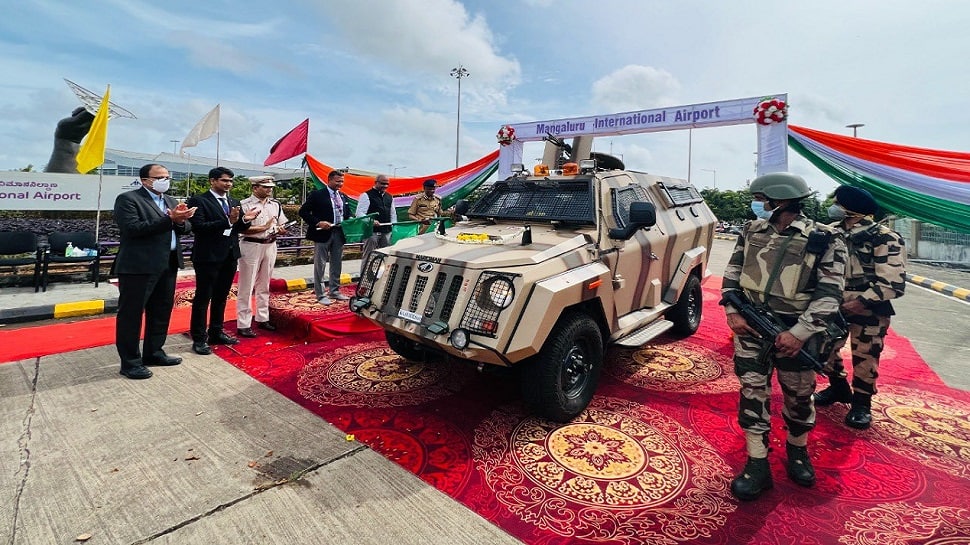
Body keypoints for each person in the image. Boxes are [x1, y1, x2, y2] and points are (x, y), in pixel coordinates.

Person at [721, 172, 846, 501]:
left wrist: (800, 332)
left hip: (797, 333)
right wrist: (732, 313)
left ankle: (797, 451)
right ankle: (757, 464)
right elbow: (733, 273)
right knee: (752, 391)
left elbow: (830, 294)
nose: (757, 204)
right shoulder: (751, 230)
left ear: (780, 201)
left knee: (799, 395)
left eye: (761, 198)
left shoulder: (823, 238)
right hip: (750, 327)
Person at [813, 185, 906, 429]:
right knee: (823, 349)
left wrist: (860, 301)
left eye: (837, 203)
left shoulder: (884, 236)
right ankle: (838, 388)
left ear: (849, 208)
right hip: (831, 303)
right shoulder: (829, 232)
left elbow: (893, 282)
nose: (832, 206)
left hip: (869, 308)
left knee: (865, 356)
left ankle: (862, 404)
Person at [113, 163, 195, 379]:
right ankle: (130, 362)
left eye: (167, 176)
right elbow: (132, 229)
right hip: (138, 266)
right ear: (144, 180)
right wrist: (169, 219)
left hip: (167, 263)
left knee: (161, 311)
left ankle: (154, 352)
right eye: (160, 177)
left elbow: (185, 228)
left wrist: (180, 220)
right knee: (131, 314)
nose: (165, 180)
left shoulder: (170, 200)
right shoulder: (129, 199)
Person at [186, 167, 257, 355]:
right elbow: (199, 227)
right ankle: (199, 338)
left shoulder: (233, 201)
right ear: (213, 181)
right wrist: (228, 220)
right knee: (203, 298)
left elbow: (238, 227)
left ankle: (216, 331)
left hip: (229, 255)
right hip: (208, 256)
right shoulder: (199, 201)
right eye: (225, 181)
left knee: (221, 296)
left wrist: (246, 220)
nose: (228, 184)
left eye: (231, 181)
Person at [235, 176, 289, 338]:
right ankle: (243, 323)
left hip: (270, 244)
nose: (269, 189)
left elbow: (281, 223)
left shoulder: (275, 205)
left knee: (264, 284)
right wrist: (263, 227)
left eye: (270, 187)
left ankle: (262, 317)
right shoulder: (245, 205)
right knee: (247, 284)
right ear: (254, 187)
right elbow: (241, 229)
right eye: (265, 187)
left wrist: (280, 229)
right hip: (251, 245)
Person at [300, 170, 352, 305]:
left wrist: (350, 220)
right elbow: (303, 211)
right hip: (322, 234)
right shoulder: (318, 195)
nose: (340, 184)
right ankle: (320, 294)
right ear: (329, 180)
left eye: (342, 181)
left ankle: (335, 291)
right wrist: (318, 222)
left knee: (337, 264)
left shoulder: (343, 196)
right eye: (338, 181)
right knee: (320, 265)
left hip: (339, 233)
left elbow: (347, 214)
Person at [356, 173, 396, 266]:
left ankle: (380, 279)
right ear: (376, 183)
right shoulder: (366, 195)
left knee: (385, 257)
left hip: (386, 232)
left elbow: (393, 214)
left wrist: (394, 226)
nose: (385, 186)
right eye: (382, 183)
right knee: (369, 256)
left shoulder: (389, 197)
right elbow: (359, 214)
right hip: (371, 232)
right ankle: (364, 279)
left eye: (387, 184)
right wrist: (371, 221)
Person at [45, 107, 95, 173]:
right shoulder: (65, 124)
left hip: (66, 160)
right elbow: (86, 115)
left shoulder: (65, 124)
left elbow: (86, 116)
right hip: (67, 161)